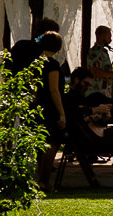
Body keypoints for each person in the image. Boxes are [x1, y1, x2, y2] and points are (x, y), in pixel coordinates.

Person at [34, 31, 66, 190]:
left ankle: (40, 178)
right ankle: (44, 180)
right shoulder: (51, 64)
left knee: (40, 144)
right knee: (51, 143)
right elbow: (54, 89)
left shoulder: (35, 62)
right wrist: (62, 113)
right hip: (49, 107)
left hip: (37, 106)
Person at [86, 25, 113, 97]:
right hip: (97, 93)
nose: (110, 40)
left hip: (103, 92)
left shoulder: (102, 51)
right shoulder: (96, 51)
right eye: (109, 37)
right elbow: (95, 71)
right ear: (102, 36)